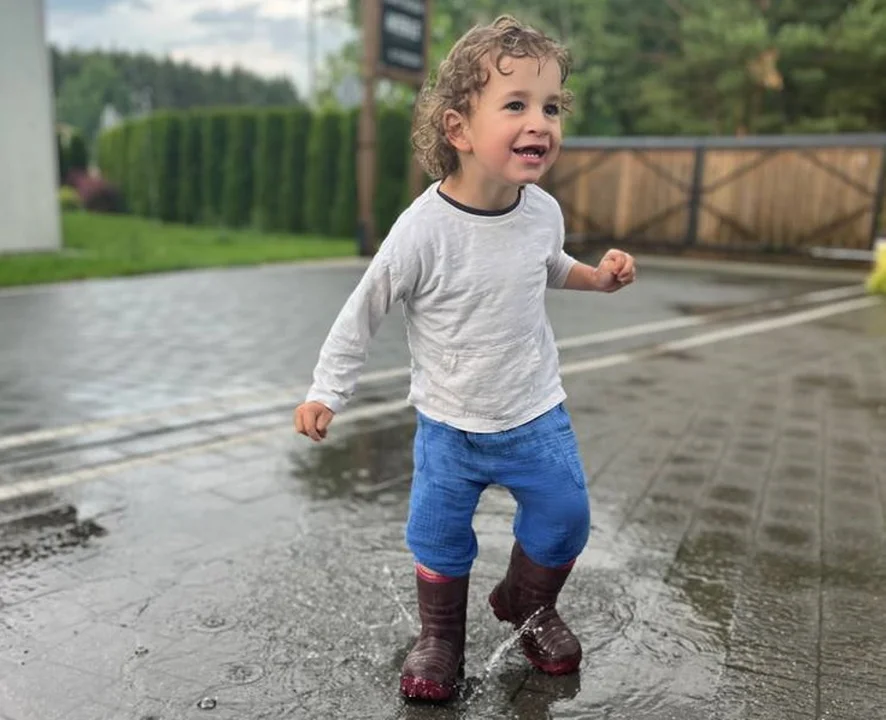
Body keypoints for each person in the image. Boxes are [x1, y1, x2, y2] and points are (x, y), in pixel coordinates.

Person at [294, 14, 636, 703]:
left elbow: (547, 264)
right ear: (458, 129)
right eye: (516, 105)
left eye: (550, 107)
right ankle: (441, 636)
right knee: (438, 534)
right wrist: (328, 389)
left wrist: (595, 279)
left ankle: (527, 603)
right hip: (450, 424)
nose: (540, 123)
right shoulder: (423, 230)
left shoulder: (541, 211)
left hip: (534, 413)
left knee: (566, 516)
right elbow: (366, 306)